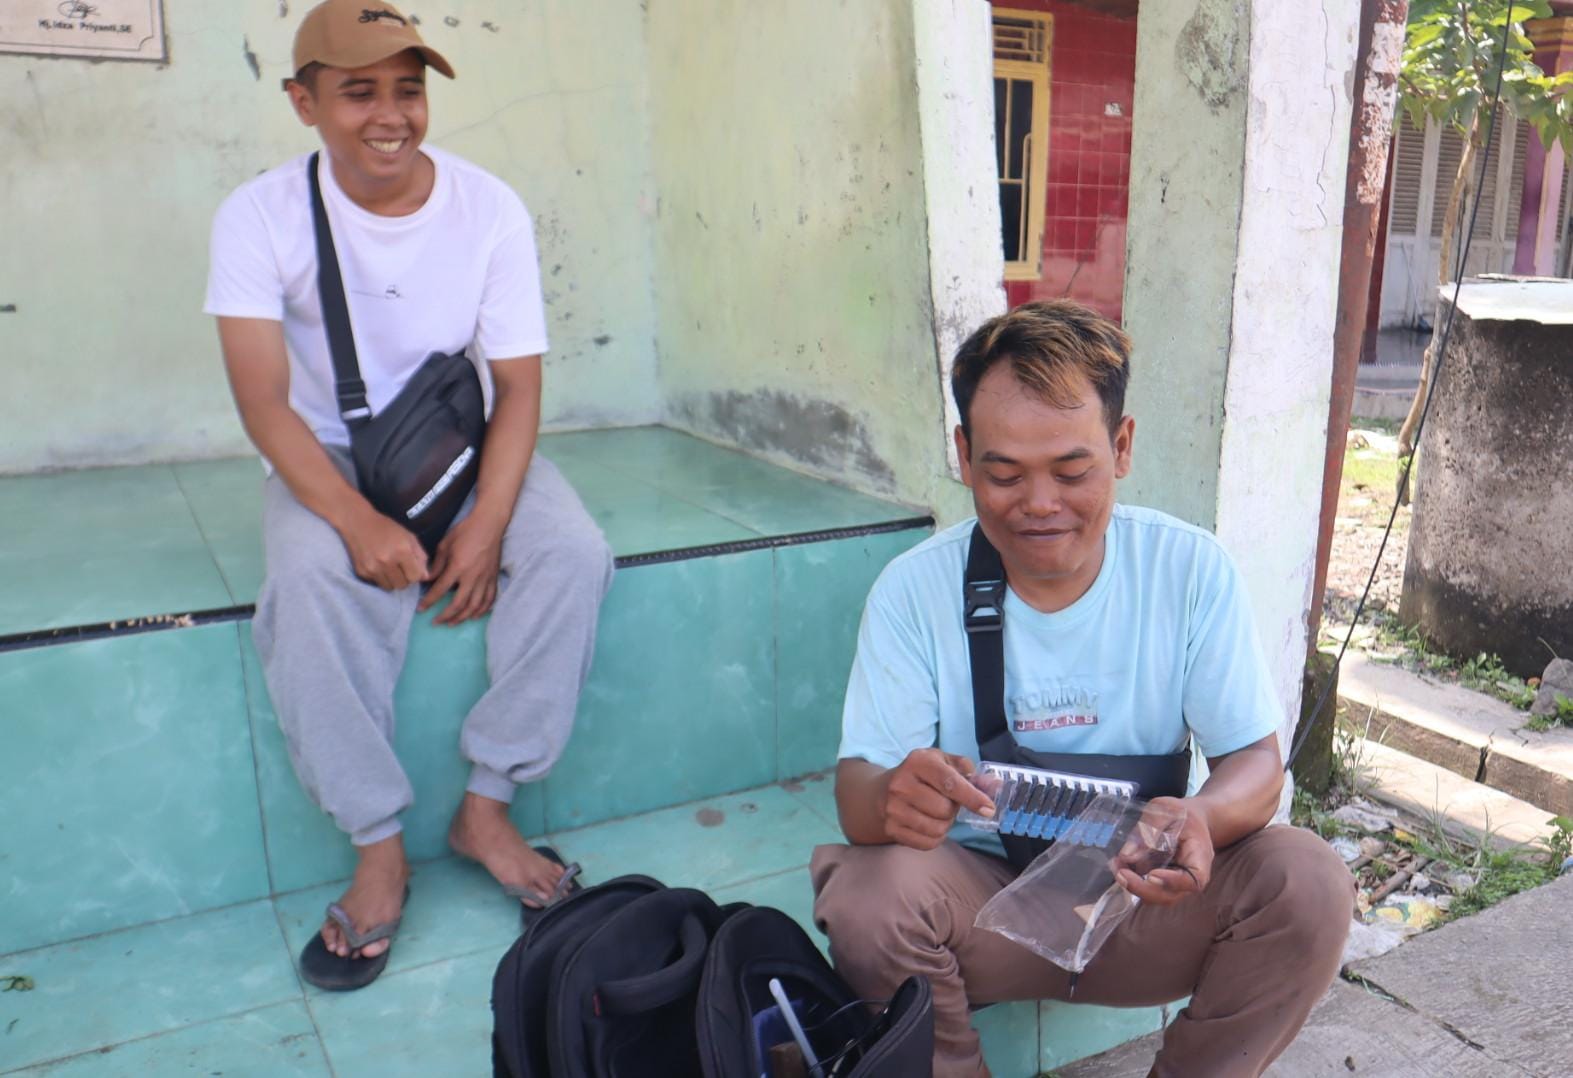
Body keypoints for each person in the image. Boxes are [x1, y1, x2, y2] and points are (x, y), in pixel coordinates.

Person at [811, 300, 1354, 1076]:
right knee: (866, 897)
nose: (1039, 504)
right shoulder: (913, 590)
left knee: (1307, 881)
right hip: (982, 915)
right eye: (1003, 473)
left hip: (1146, 908)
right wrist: (894, 796)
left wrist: (1199, 816)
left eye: (1071, 472)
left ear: (1121, 446)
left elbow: (1256, 764)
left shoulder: (1187, 570)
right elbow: (858, 795)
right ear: (963, 456)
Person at [203, 0, 612, 990]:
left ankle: (487, 806)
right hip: (326, 456)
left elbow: (517, 387)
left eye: (408, 89)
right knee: (309, 582)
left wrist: (490, 521)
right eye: (358, 92)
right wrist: (353, 521)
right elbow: (263, 405)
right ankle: (377, 845)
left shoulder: (487, 208)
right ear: (303, 102)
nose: (390, 115)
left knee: (573, 551)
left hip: (456, 447)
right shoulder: (258, 215)